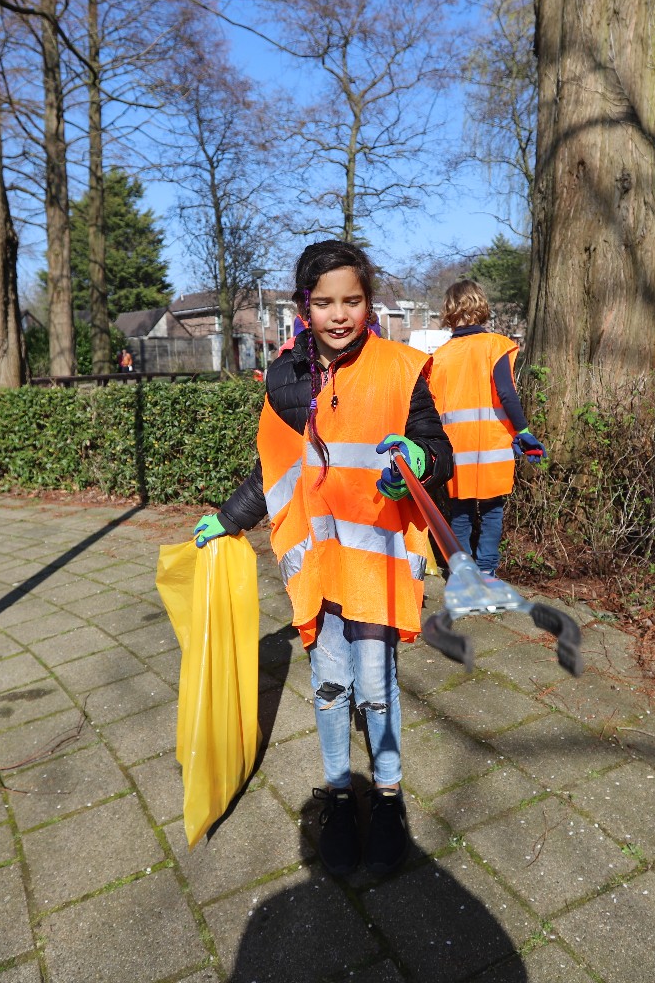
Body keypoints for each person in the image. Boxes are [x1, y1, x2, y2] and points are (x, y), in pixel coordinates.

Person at [193, 240, 453, 878]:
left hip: (377, 567)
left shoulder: (405, 368)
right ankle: (339, 794)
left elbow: (436, 448)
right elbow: (274, 469)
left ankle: (387, 798)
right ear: (303, 306)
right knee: (331, 686)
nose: (340, 315)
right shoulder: (285, 378)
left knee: (377, 687)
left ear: (369, 302)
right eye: (325, 302)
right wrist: (229, 518)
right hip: (320, 569)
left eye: (353, 300)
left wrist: (419, 463)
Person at [426, 279, 544, 579]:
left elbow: (432, 406)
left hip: (456, 449)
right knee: (492, 510)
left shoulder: (439, 357)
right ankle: (487, 570)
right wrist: (523, 431)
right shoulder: (496, 346)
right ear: (481, 307)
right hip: (492, 446)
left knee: (460, 512)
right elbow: (506, 393)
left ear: (449, 312)